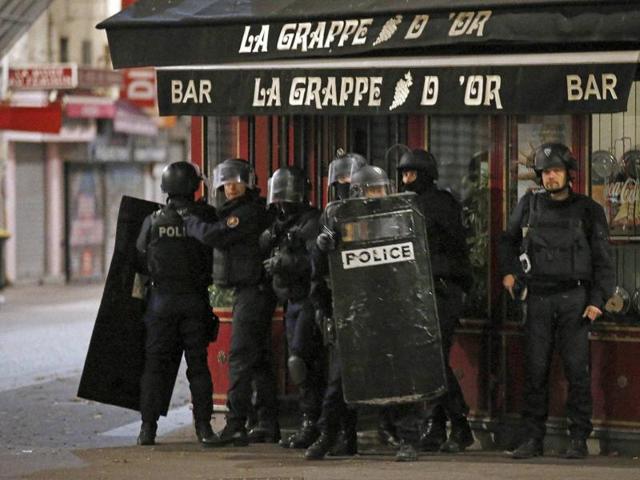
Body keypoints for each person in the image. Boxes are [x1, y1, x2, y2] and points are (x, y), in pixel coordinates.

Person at [498, 142, 615, 460]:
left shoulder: (589, 210)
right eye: (545, 172)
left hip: (575, 299)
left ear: (569, 174)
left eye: (556, 171)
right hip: (538, 297)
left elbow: (604, 260)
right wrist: (509, 273)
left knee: (578, 371)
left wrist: (598, 300)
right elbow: (507, 241)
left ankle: (578, 438)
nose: (550, 177)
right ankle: (532, 438)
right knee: (535, 371)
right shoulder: (530, 205)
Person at [183, 158, 278, 446]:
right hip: (249, 291)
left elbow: (216, 235)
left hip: (253, 291)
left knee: (239, 357)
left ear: (249, 182)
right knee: (258, 360)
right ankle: (267, 422)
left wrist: (190, 221)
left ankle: (236, 424)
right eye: (226, 181)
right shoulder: (235, 211)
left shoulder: (246, 213)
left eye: (236, 180)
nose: (231, 186)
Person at [135, 161, 224, 447]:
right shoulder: (206, 216)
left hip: (160, 304)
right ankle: (204, 428)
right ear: (194, 186)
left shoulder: (152, 220)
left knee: (154, 367)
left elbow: (139, 259)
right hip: (194, 302)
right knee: (197, 366)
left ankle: (147, 429)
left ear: (165, 188)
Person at [396, 149, 475, 455]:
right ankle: (436, 425)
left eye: (411, 174)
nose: (405, 179)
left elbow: (455, 247)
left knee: (434, 359)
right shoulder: (405, 203)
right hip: (417, 290)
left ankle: (460, 423)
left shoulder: (441, 203)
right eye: (403, 174)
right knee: (426, 360)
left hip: (442, 289)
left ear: (424, 174)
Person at [304, 151, 366, 460]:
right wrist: (320, 247)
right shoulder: (329, 214)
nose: (343, 184)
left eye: (348, 179)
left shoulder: (373, 211)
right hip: (342, 304)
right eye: (339, 180)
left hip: (372, 304)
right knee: (339, 377)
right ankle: (335, 434)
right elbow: (318, 270)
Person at [260, 166, 324, 449]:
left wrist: (285, 263)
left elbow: (316, 262)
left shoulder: (312, 222)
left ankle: (314, 422)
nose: (282, 205)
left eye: (286, 200)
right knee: (300, 365)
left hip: (310, 299)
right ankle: (309, 422)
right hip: (291, 301)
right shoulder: (280, 224)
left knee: (301, 362)